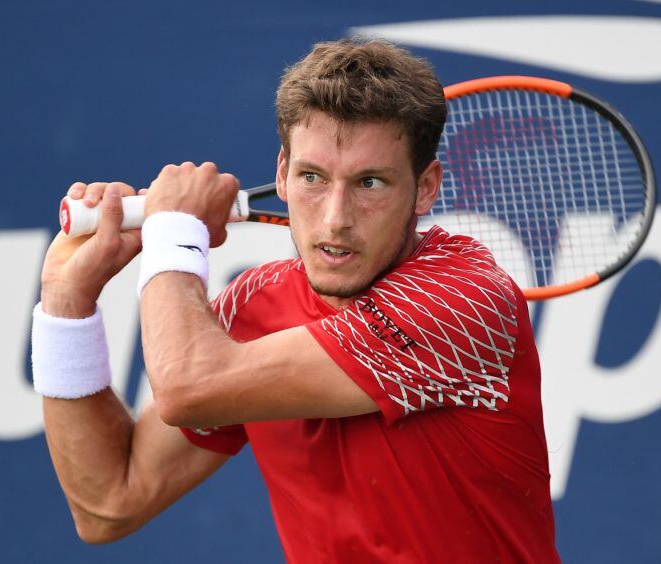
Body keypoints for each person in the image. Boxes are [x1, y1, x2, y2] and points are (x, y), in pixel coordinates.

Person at [32, 39, 561, 563]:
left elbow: (186, 387)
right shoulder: (255, 305)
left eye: (370, 182)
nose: (335, 218)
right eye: (313, 177)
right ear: (281, 173)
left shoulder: (462, 298)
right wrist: (65, 301)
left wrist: (174, 230)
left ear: (425, 189)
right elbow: (108, 504)